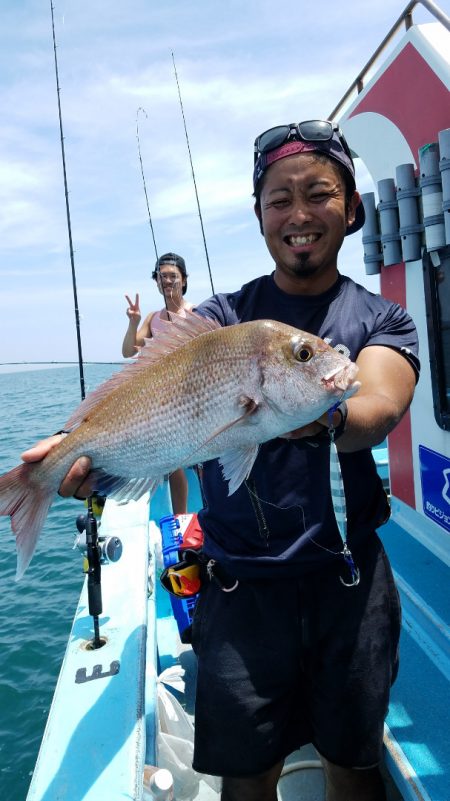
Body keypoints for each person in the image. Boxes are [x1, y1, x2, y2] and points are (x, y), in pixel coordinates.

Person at [23, 120, 419, 801]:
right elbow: (154, 397)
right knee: (245, 776)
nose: (299, 214)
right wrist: (82, 448)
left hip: (348, 590)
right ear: (260, 215)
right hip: (238, 590)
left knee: (353, 765)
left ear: (352, 207)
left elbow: (374, 409)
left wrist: (317, 407)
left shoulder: (383, 319)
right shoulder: (223, 316)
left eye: (319, 193)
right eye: (278, 198)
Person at [122, 252, 193, 516]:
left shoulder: (195, 312)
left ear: (184, 280)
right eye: (162, 276)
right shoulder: (153, 318)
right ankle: (182, 518)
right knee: (173, 460)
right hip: (164, 399)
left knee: (201, 459)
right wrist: (133, 322)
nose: (168, 281)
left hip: (196, 393)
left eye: (173, 276)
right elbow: (128, 351)